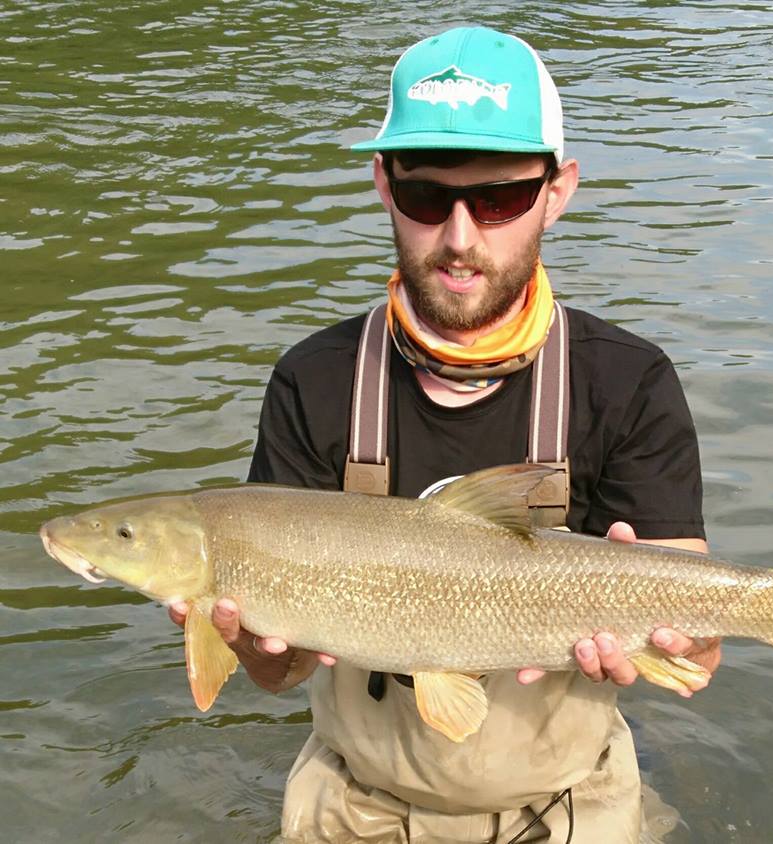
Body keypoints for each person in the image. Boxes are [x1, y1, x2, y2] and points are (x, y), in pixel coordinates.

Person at [170, 25, 720, 843]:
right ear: (384, 187)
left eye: (498, 199)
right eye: (429, 197)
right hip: (353, 803)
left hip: (571, 804)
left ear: (558, 190)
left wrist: (677, 642)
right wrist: (247, 645)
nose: (460, 237)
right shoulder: (311, 381)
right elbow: (279, 671)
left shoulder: (627, 381)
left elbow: (699, 651)